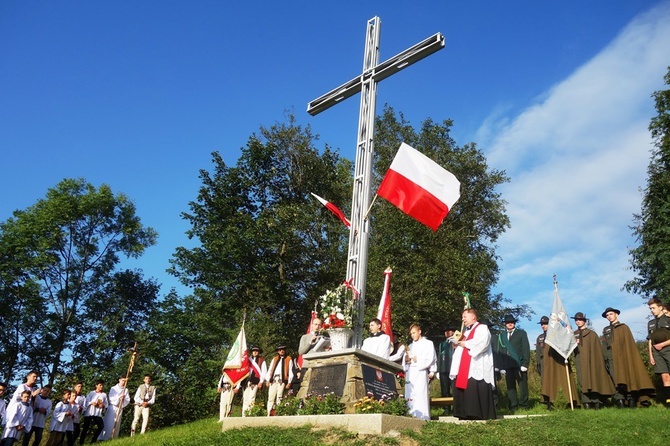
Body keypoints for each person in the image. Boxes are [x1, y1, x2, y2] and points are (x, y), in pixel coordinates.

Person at [601, 307, 655, 407]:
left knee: (627, 376)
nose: (609, 316)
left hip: (624, 357)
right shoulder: (606, 330)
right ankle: (620, 400)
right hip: (611, 358)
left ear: (616, 315)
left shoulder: (623, 327)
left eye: (611, 314)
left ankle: (631, 399)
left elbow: (629, 345)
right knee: (615, 379)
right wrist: (605, 358)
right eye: (607, 315)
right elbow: (604, 345)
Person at [449, 309, 496, 420]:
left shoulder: (482, 328)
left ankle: (478, 414)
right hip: (465, 368)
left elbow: (483, 343)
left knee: (474, 386)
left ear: (473, 317)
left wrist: (465, 344)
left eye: (465, 316)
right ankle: (464, 414)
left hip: (476, 364)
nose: (463, 319)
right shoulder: (465, 332)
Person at [572, 312, 614, 409]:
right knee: (582, 379)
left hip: (592, 360)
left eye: (580, 320)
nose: (578, 322)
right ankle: (586, 401)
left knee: (593, 378)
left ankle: (596, 401)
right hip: (579, 360)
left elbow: (597, 350)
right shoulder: (573, 335)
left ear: (584, 321)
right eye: (576, 320)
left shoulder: (592, 334)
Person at [492, 315, 530, 412]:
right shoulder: (502, 335)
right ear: (505, 324)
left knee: (522, 386)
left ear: (514, 323)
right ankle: (513, 405)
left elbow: (526, 349)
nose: (510, 323)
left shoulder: (521, 333)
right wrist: (501, 366)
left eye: (512, 322)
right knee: (510, 387)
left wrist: (525, 364)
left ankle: (524, 405)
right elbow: (500, 351)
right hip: (508, 365)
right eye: (508, 322)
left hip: (519, 364)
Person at [402, 323, 436, 420]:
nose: (412, 335)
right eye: (411, 334)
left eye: (414, 333)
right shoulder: (410, 345)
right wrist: (406, 360)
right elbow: (406, 359)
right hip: (410, 372)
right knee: (410, 393)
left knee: (420, 393)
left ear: (419, 331)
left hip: (420, 371)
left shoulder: (428, 343)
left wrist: (418, 359)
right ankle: (410, 415)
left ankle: (423, 417)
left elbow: (431, 358)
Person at [647, 298, 670, 405]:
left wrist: (663, 344)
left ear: (660, 307)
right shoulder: (650, 323)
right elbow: (650, 340)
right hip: (656, 352)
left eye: (654, 308)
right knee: (664, 376)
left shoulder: (668, 319)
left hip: (668, 348)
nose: (652, 310)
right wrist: (651, 355)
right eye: (650, 308)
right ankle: (668, 400)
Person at [264, 345, 293, 416]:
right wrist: (267, 379)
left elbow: (290, 371)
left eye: (283, 349)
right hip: (273, 379)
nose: (282, 351)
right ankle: (269, 413)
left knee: (279, 397)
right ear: (278, 351)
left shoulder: (289, 359)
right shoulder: (275, 359)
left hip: (282, 379)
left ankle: (278, 413)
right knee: (270, 397)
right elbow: (270, 369)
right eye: (280, 350)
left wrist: (289, 382)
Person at [79, 380, 108, 444]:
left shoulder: (104, 395)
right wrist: (91, 403)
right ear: (96, 386)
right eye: (100, 385)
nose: (101, 386)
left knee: (101, 426)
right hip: (90, 412)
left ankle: (93, 441)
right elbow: (86, 402)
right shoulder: (91, 393)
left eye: (102, 385)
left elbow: (106, 404)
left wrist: (102, 405)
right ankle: (81, 443)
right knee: (85, 428)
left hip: (97, 413)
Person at [242, 347, 266, 417]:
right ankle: (244, 415)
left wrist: (261, 382)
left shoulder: (262, 361)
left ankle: (250, 414)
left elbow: (263, 372)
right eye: (253, 351)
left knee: (252, 398)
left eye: (256, 351)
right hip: (246, 382)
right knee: (245, 399)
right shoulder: (247, 360)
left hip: (255, 382)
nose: (255, 352)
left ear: (259, 352)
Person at [436, 327, 456, 400]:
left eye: (449, 330)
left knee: (455, 390)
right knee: (444, 390)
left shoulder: (456, 342)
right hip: (443, 369)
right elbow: (439, 358)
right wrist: (438, 370)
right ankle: (446, 408)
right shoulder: (442, 344)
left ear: (453, 332)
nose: (447, 332)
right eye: (445, 331)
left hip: (453, 369)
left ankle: (456, 408)